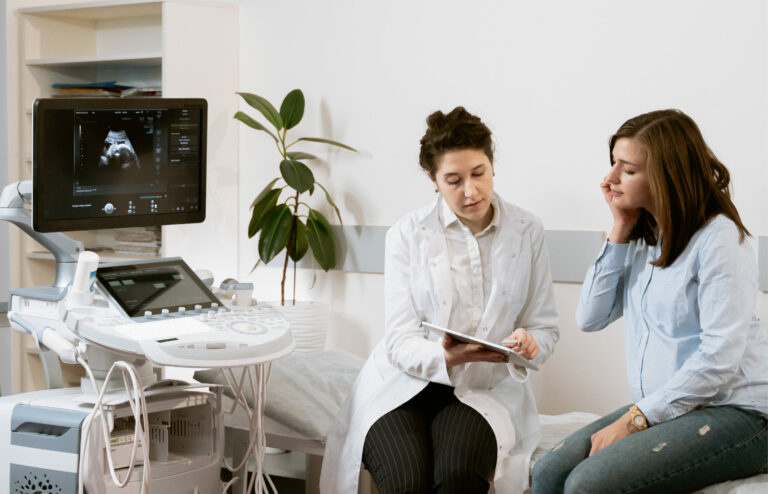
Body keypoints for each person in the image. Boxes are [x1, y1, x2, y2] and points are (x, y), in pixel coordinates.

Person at [319, 107, 559, 494]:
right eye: (453, 180)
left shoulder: (526, 230)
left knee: (458, 478)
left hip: (482, 389)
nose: (471, 190)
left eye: (479, 173)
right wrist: (448, 356)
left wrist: (530, 344)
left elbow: (544, 327)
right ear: (433, 180)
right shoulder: (406, 234)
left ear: (492, 164)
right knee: (406, 482)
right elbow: (399, 340)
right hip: (403, 385)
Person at [531, 109, 768, 494]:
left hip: (739, 412)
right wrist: (620, 228)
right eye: (612, 164)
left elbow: (720, 356)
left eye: (627, 169)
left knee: (587, 485)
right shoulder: (643, 237)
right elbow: (589, 318)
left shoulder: (720, 239)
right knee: (547, 473)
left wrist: (635, 419)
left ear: (666, 174)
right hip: (670, 409)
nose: (608, 179)